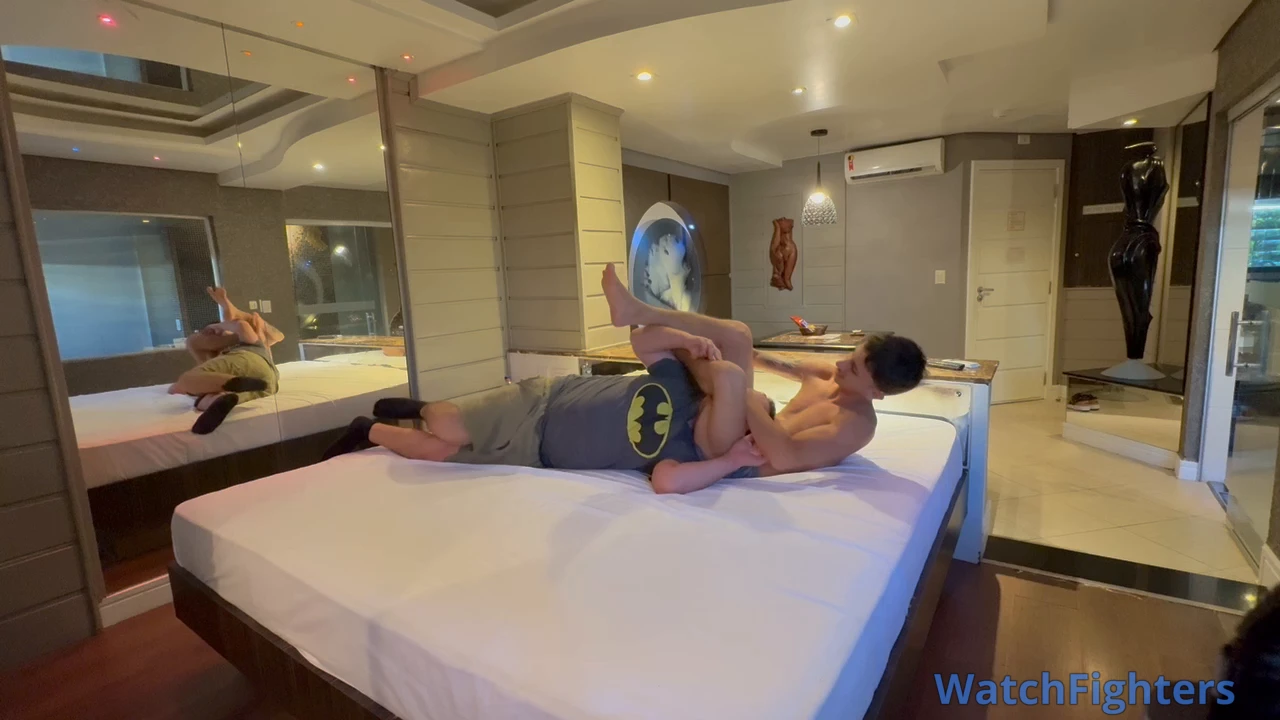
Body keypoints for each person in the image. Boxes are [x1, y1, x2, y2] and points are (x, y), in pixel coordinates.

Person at [325, 313, 765, 493]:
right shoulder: (681, 386)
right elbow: (643, 339)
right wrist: (687, 340)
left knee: (438, 453)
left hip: (537, 455)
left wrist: (730, 462)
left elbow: (666, 483)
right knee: (446, 424)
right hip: (541, 401)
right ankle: (422, 408)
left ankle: (366, 429)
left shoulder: (689, 455)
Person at [598, 262, 927, 475]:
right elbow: (759, 357)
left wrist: (744, 397)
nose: (839, 365)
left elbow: (784, 457)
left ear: (876, 392)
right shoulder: (828, 375)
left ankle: (689, 364)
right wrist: (714, 344)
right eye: (850, 357)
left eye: (852, 369)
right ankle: (637, 312)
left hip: (746, 457)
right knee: (739, 333)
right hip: (743, 424)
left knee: (727, 376)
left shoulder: (856, 425)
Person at [167, 287, 284, 435]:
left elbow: (273, 334)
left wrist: (223, 319)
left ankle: (231, 383)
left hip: (250, 365)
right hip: (268, 382)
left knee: (185, 381)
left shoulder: (241, 343)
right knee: (215, 398)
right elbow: (238, 324)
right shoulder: (250, 345)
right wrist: (226, 314)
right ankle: (221, 397)